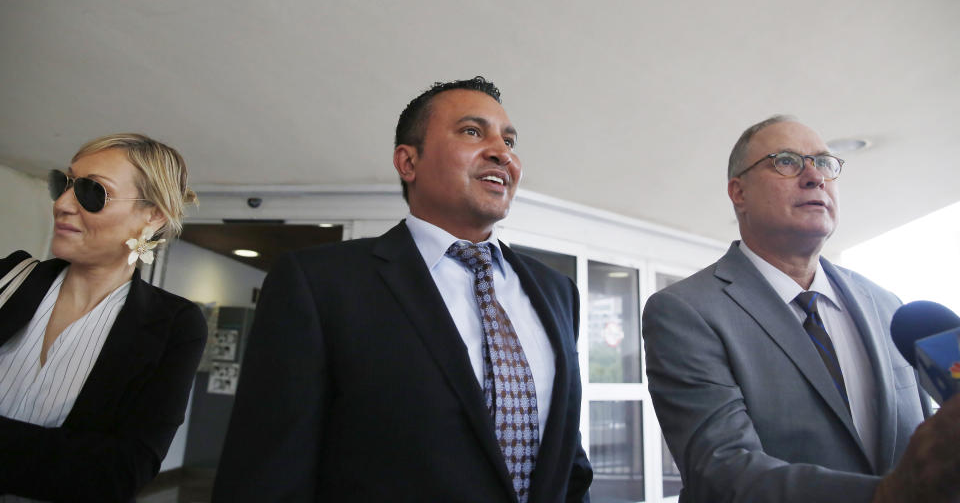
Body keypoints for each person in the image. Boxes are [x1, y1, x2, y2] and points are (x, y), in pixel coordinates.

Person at [213, 77, 592, 502]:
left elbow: (568, 461)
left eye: (509, 140)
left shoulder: (557, 292)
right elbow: (267, 472)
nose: (502, 153)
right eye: (472, 131)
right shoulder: (319, 284)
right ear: (408, 162)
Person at [642, 115, 960, 503]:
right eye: (787, 161)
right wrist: (889, 495)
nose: (815, 177)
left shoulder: (887, 305)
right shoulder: (684, 312)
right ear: (738, 192)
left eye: (824, 163)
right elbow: (722, 471)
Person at [0, 134, 207, 503]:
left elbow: (120, 473)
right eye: (61, 184)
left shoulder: (175, 325)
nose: (62, 204)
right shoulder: (7, 278)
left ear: (153, 214)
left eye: (92, 191)